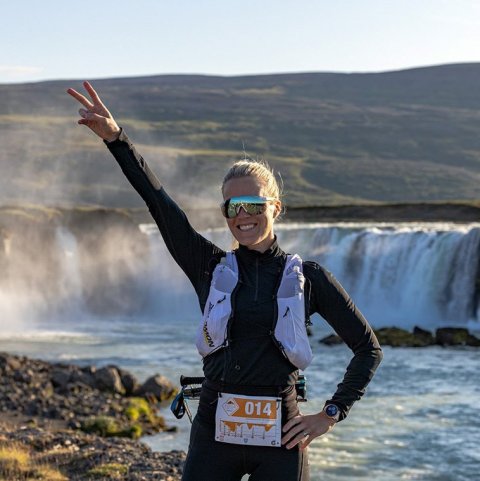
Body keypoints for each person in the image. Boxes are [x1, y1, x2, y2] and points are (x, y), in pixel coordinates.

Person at [67, 81, 383, 481]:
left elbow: (368, 350)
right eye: (233, 205)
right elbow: (159, 203)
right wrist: (117, 139)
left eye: (253, 203)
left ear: (275, 207)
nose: (243, 214)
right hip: (214, 435)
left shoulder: (309, 278)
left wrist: (331, 414)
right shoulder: (209, 266)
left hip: (282, 438)